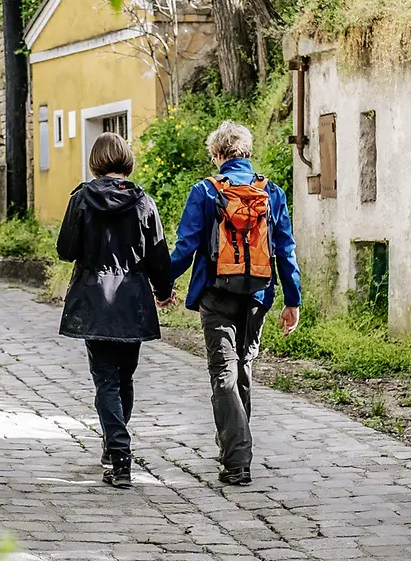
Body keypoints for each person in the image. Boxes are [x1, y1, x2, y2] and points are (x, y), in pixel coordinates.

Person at [167, 121, 302, 487]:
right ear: (247, 152)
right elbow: (284, 250)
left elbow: (185, 248)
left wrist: (160, 280)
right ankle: (235, 453)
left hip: (216, 294)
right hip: (258, 293)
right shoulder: (270, 192)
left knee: (223, 373)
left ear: (217, 155)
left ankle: (237, 459)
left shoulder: (205, 191)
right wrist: (293, 300)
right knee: (242, 368)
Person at [56, 132, 174, 490]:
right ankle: (113, 447)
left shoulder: (82, 200)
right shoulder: (144, 202)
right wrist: (164, 291)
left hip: (94, 300)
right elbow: (158, 256)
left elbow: (65, 249)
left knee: (106, 379)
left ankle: (119, 455)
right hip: (133, 301)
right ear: (127, 161)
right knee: (124, 378)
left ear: (95, 163)